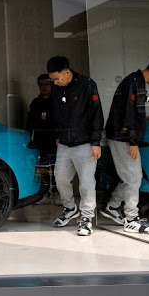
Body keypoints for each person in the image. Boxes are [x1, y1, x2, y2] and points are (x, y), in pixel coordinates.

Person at [100, 56, 149, 234]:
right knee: (133, 178)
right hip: (123, 138)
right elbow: (130, 115)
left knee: (133, 176)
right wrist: (133, 141)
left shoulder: (134, 81)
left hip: (121, 136)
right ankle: (131, 218)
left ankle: (112, 205)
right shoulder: (135, 83)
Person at [47, 56, 104, 236]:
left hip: (85, 143)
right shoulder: (56, 88)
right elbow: (56, 112)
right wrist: (58, 134)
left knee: (87, 183)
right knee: (60, 178)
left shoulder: (87, 85)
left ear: (67, 72)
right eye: (53, 79)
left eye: (58, 78)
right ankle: (69, 208)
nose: (55, 82)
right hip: (64, 143)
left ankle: (86, 218)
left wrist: (96, 142)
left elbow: (96, 114)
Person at [26, 74, 58, 205]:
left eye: (47, 84)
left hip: (56, 141)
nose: (44, 87)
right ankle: (43, 193)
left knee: (57, 168)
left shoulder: (57, 101)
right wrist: (28, 138)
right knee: (42, 169)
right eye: (41, 84)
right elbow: (29, 123)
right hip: (40, 141)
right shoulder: (35, 103)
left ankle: (57, 193)